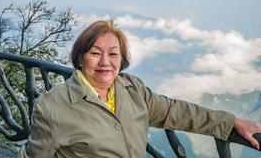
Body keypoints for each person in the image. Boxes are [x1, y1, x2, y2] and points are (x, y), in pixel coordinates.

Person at [19, 20, 261, 158]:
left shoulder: (132, 89)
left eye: (113, 54)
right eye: (95, 53)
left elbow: (175, 112)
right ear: (80, 58)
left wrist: (230, 122)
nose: (105, 62)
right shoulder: (52, 107)